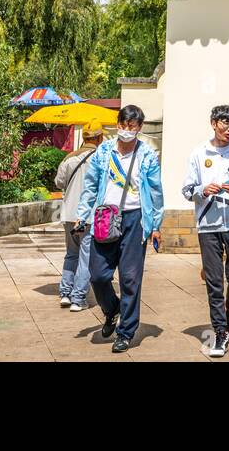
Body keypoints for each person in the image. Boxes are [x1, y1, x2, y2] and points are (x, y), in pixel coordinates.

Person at [75, 106, 164, 353]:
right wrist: (82, 215)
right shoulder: (104, 152)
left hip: (135, 219)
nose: (126, 130)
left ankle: (126, 331)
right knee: (98, 274)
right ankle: (111, 308)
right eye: (123, 125)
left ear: (139, 128)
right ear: (118, 124)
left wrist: (156, 225)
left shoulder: (146, 155)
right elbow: (91, 185)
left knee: (130, 278)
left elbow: (155, 191)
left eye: (132, 126)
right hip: (105, 216)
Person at [181, 104, 229, 358]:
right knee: (214, 281)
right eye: (225, 123)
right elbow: (186, 190)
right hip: (208, 224)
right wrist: (203, 190)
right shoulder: (199, 153)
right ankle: (220, 331)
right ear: (214, 123)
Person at [54, 126, 103, 312]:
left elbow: (58, 182)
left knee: (71, 254)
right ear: (100, 138)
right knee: (86, 257)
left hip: (69, 214)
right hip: (89, 216)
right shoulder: (100, 159)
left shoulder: (70, 158)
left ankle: (65, 293)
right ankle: (78, 297)